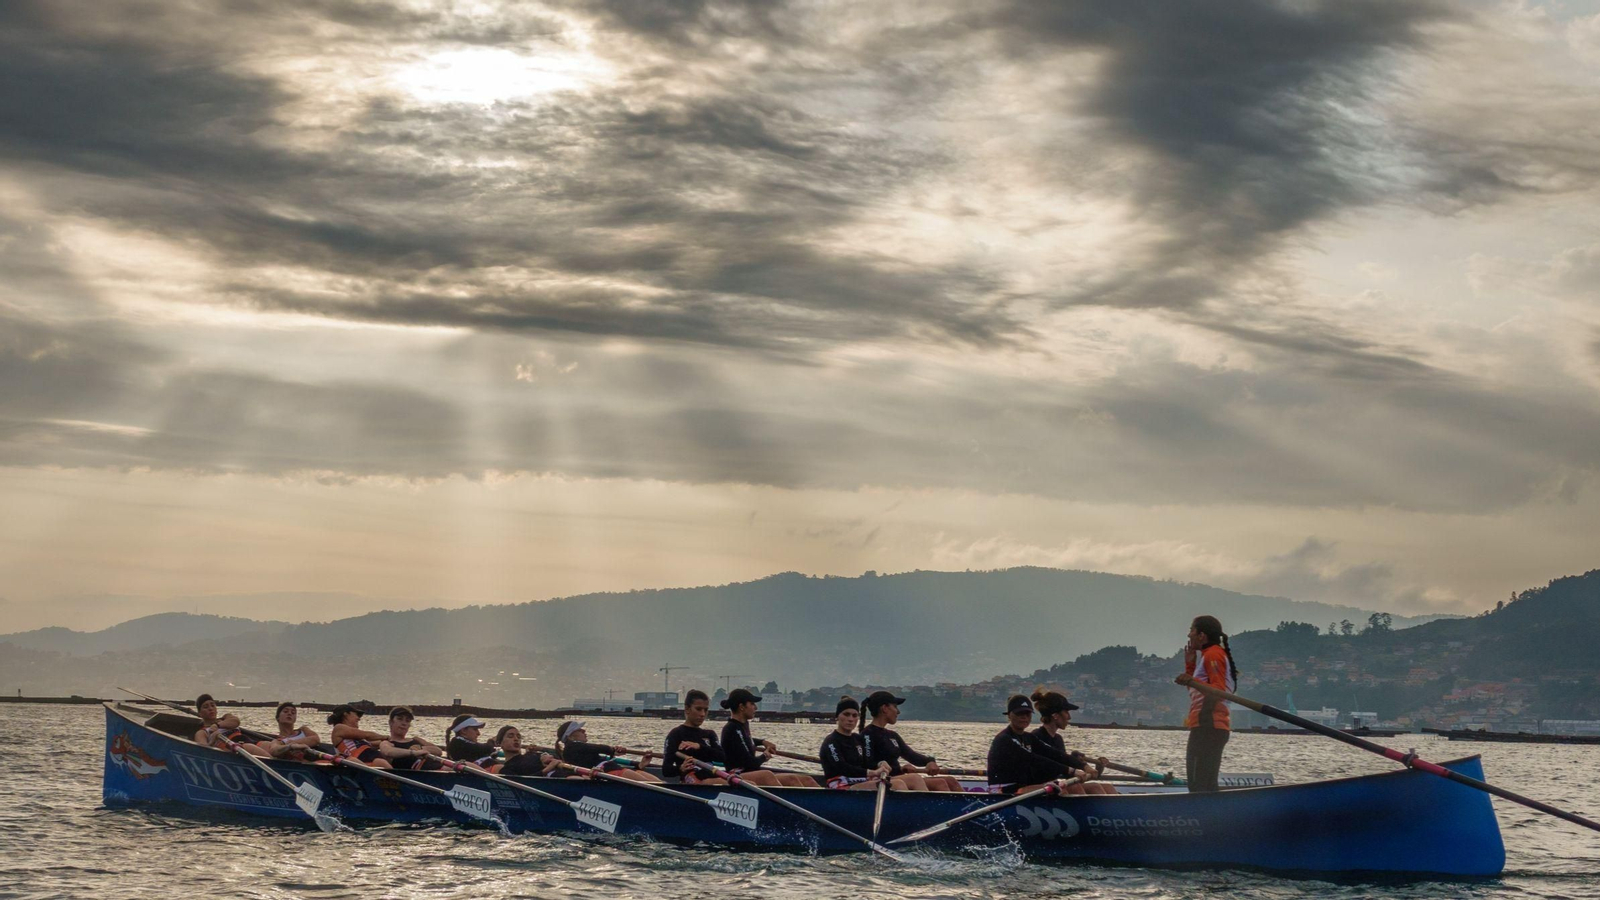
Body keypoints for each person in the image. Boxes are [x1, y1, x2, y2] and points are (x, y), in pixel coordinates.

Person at [1175, 614, 1238, 793]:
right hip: (1206, 726)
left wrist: (1189, 678)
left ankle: (1204, 817)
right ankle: (1212, 816)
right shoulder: (1207, 656)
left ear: (1202, 635)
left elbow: (1217, 690)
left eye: (1191, 630)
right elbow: (1197, 691)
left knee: (1199, 785)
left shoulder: (1213, 654)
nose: (1189, 635)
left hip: (1208, 726)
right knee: (1202, 784)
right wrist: (1190, 666)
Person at [862, 690, 960, 791]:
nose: (898, 712)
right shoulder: (867, 735)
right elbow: (868, 763)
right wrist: (899, 769)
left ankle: (971, 807)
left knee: (950, 780)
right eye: (895, 707)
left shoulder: (892, 735)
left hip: (900, 777)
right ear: (885, 708)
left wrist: (929, 761)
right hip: (884, 780)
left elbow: (912, 756)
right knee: (940, 783)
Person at [719, 688, 814, 788]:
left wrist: (762, 742)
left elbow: (745, 740)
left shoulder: (742, 725)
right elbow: (750, 764)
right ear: (741, 707)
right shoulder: (731, 728)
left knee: (804, 779)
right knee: (767, 775)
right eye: (752, 704)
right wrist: (765, 756)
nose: (755, 707)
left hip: (750, 772)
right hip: (737, 775)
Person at [987, 694, 1079, 795]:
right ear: (1009, 715)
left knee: (1067, 789)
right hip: (1001, 790)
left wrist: (1083, 766)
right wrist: (1070, 771)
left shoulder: (1028, 737)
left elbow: (1052, 753)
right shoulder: (1004, 739)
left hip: (1019, 787)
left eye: (1028, 714)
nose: (1024, 717)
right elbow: (1032, 759)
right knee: (1059, 790)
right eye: (1019, 713)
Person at [1028, 688, 1115, 795]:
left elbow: (1067, 773)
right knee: (1076, 788)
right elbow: (1053, 764)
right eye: (1066, 712)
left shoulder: (1058, 739)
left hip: (1052, 785)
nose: (1069, 717)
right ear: (1055, 716)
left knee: (1105, 787)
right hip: (1034, 788)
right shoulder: (1036, 736)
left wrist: (1097, 767)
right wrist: (1079, 766)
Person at [819, 696, 894, 790]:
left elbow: (868, 762)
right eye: (846, 714)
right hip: (839, 784)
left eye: (854, 715)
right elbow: (842, 767)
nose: (850, 719)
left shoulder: (858, 739)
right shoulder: (831, 741)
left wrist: (880, 763)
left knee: (913, 779)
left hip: (859, 780)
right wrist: (873, 772)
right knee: (897, 784)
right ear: (837, 716)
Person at [551, 720, 663, 782]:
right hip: (609, 773)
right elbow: (599, 748)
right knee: (655, 786)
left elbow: (598, 750)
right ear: (571, 737)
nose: (584, 731)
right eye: (580, 730)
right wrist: (612, 750)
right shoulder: (572, 748)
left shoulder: (576, 747)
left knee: (651, 779)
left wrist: (640, 765)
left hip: (613, 770)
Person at [663, 689, 728, 785]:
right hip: (693, 780)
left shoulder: (709, 734)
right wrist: (680, 768)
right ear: (687, 709)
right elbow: (666, 770)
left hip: (711, 774)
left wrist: (699, 747)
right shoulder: (676, 734)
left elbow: (723, 757)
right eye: (698, 709)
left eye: (705, 710)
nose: (702, 714)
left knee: (750, 783)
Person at [194, 694, 268, 756]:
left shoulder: (226, 717)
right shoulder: (202, 732)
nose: (210, 709)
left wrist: (217, 725)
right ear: (200, 713)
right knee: (250, 747)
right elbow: (203, 752)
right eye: (206, 707)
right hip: (234, 749)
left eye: (212, 705)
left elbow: (236, 721)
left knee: (271, 746)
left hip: (250, 741)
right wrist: (213, 740)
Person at [379, 706, 448, 771]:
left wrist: (422, 749)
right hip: (420, 775)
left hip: (438, 769)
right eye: (400, 719)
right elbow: (388, 752)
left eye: (407, 721)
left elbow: (438, 751)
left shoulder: (416, 739)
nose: (404, 723)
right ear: (391, 722)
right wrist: (414, 753)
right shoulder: (387, 743)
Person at [327, 704, 392, 767]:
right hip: (358, 759)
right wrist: (386, 737)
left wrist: (390, 742)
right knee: (381, 762)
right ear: (346, 714)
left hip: (368, 757)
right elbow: (366, 735)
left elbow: (372, 743)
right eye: (356, 714)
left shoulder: (355, 738)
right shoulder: (338, 728)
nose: (358, 718)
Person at [491, 725, 558, 777]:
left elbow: (559, 754)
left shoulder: (532, 755)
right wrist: (546, 770)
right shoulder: (506, 770)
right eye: (510, 736)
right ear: (499, 743)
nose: (516, 739)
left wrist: (541, 751)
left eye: (518, 737)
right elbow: (523, 784)